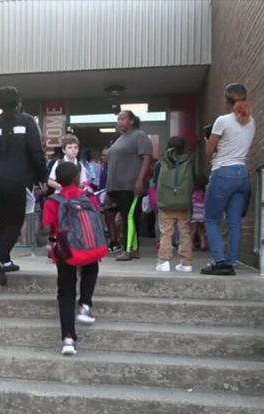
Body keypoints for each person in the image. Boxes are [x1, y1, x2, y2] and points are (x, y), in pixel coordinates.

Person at [0, 86, 46, 285]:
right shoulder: (27, 121)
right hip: (15, 177)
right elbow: (36, 152)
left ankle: (4, 260)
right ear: (18, 102)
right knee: (15, 220)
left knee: (4, 218)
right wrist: (42, 177)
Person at [42, 162, 101, 356]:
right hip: (89, 245)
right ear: (77, 178)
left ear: (57, 181)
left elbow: (47, 226)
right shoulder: (89, 196)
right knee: (91, 268)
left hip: (65, 250)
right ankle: (85, 304)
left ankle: (68, 338)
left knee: (66, 293)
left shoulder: (53, 201)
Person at [202, 83, 256, 276]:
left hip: (223, 172)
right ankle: (231, 261)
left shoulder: (222, 121)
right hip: (242, 174)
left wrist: (208, 139)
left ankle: (220, 261)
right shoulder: (251, 121)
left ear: (227, 100)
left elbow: (210, 151)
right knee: (234, 222)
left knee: (211, 219)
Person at [104, 110, 153, 261]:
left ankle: (128, 249)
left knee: (129, 218)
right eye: (118, 119)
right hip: (117, 186)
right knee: (124, 218)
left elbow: (146, 158)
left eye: (122, 119)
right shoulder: (120, 139)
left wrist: (140, 180)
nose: (119, 122)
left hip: (130, 185)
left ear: (131, 121)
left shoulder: (139, 136)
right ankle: (133, 249)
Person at [154, 136, 196, 273]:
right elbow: (194, 180)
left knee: (166, 232)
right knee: (185, 232)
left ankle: (164, 261)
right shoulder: (189, 162)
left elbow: (155, 182)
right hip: (184, 203)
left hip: (166, 203)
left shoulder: (161, 163)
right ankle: (186, 263)